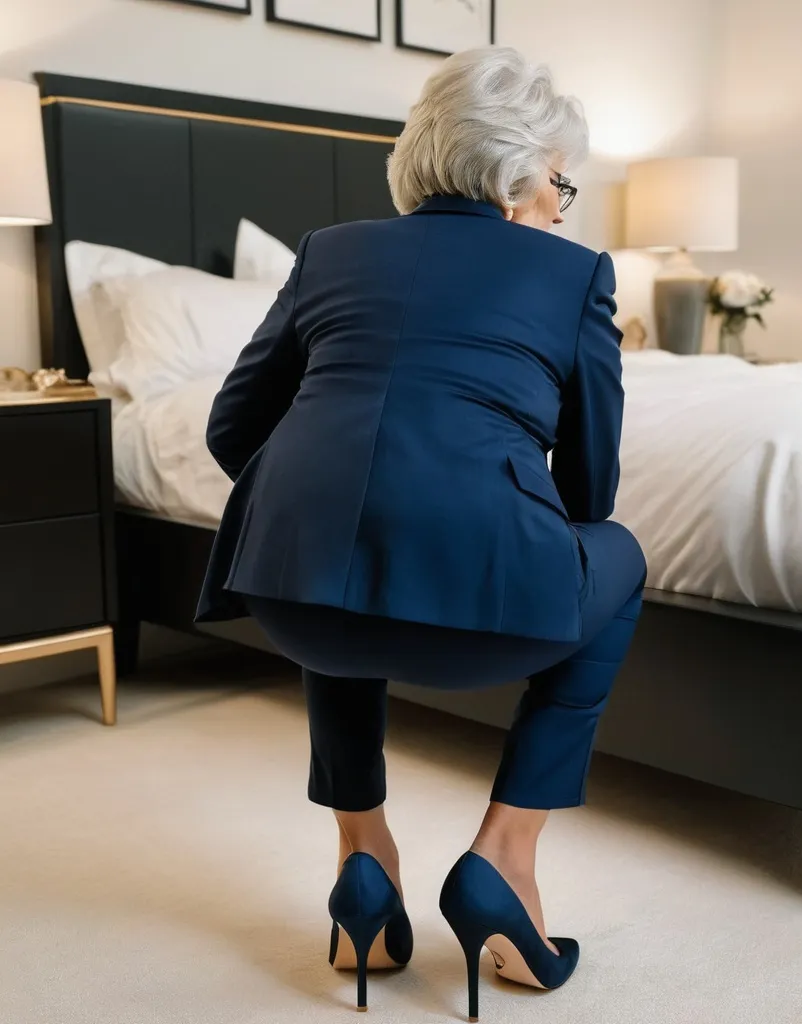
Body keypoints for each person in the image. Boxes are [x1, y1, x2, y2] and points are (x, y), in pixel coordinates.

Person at [195, 45, 646, 1020]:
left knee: (347, 552)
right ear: (521, 170)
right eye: (562, 179)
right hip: (490, 625)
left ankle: (364, 861)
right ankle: (504, 857)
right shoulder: (574, 274)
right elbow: (593, 490)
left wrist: (309, 508)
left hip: (292, 601)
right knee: (622, 558)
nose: (564, 205)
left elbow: (230, 428)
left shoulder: (328, 249)